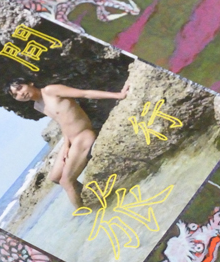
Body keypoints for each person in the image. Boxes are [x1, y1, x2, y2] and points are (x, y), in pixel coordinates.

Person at [7, 77, 129, 208]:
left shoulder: (51, 90)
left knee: (66, 181)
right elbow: (62, 122)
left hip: (83, 135)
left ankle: (84, 213)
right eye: (15, 95)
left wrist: (118, 95)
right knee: (54, 177)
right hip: (71, 141)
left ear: (30, 83)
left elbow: (85, 93)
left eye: (20, 88)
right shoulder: (37, 106)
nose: (20, 94)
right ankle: (93, 198)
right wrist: (66, 146)